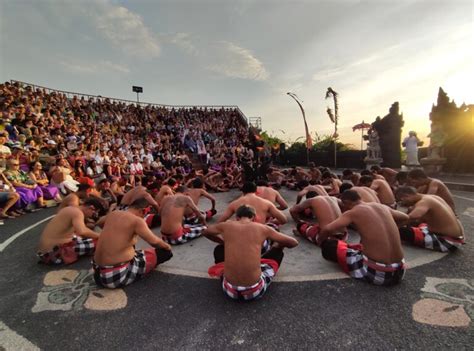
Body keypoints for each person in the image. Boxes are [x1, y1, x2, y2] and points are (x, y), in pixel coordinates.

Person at [205, 205, 298, 301]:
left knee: (219, 249)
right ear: (253, 217)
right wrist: (278, 246)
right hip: (254, 291)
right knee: (278, 250)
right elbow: (293, 242)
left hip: (229, 290)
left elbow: (206, 232)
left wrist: (223, 242)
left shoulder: (225, 226)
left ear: (237, 217)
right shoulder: (263, 228)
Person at [318, 190, 408, 286]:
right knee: (358, 247)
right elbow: (405, 217)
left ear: (346, 203)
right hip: (400, 270)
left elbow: (327, 229)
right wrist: (395, 229)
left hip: (377, 274)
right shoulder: (382, 207)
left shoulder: (353, 212)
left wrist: (321, 242)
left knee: (330, 246)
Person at [92, 198, 173, 289]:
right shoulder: (137, 221)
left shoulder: (113, 213)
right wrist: (167, 246)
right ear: (142, 210)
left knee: (135, 248)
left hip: (97, 273)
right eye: (145, 214)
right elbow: (154, 241)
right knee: (165, 253)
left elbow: (99, 222)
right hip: (114, 277)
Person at [396, 186, 464, 252]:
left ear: (406, 197)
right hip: (455, 238)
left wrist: (395, 226)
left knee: (401, 230)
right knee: (415, 224)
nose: (402, 203)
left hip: (446, 242)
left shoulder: (424, 202)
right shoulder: (433, 197)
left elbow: (413, 217)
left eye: (401, 201)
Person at [37, 198, 104, 265]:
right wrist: (101, 235)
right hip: (56, 254)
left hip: (46, 253)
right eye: (94, 213)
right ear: (91, 208)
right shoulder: (77, 213)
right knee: (100, 242)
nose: (92, 216)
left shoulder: (70, 209)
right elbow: (82, 231)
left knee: (84, 237)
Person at [218, 182, 287, 229]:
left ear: (243, 191)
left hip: (241, 233)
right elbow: (283, 220)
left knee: (229, 222)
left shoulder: (234, 203)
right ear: (256, 191)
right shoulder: (267, 203)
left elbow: (220, 222)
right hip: (260, 234)